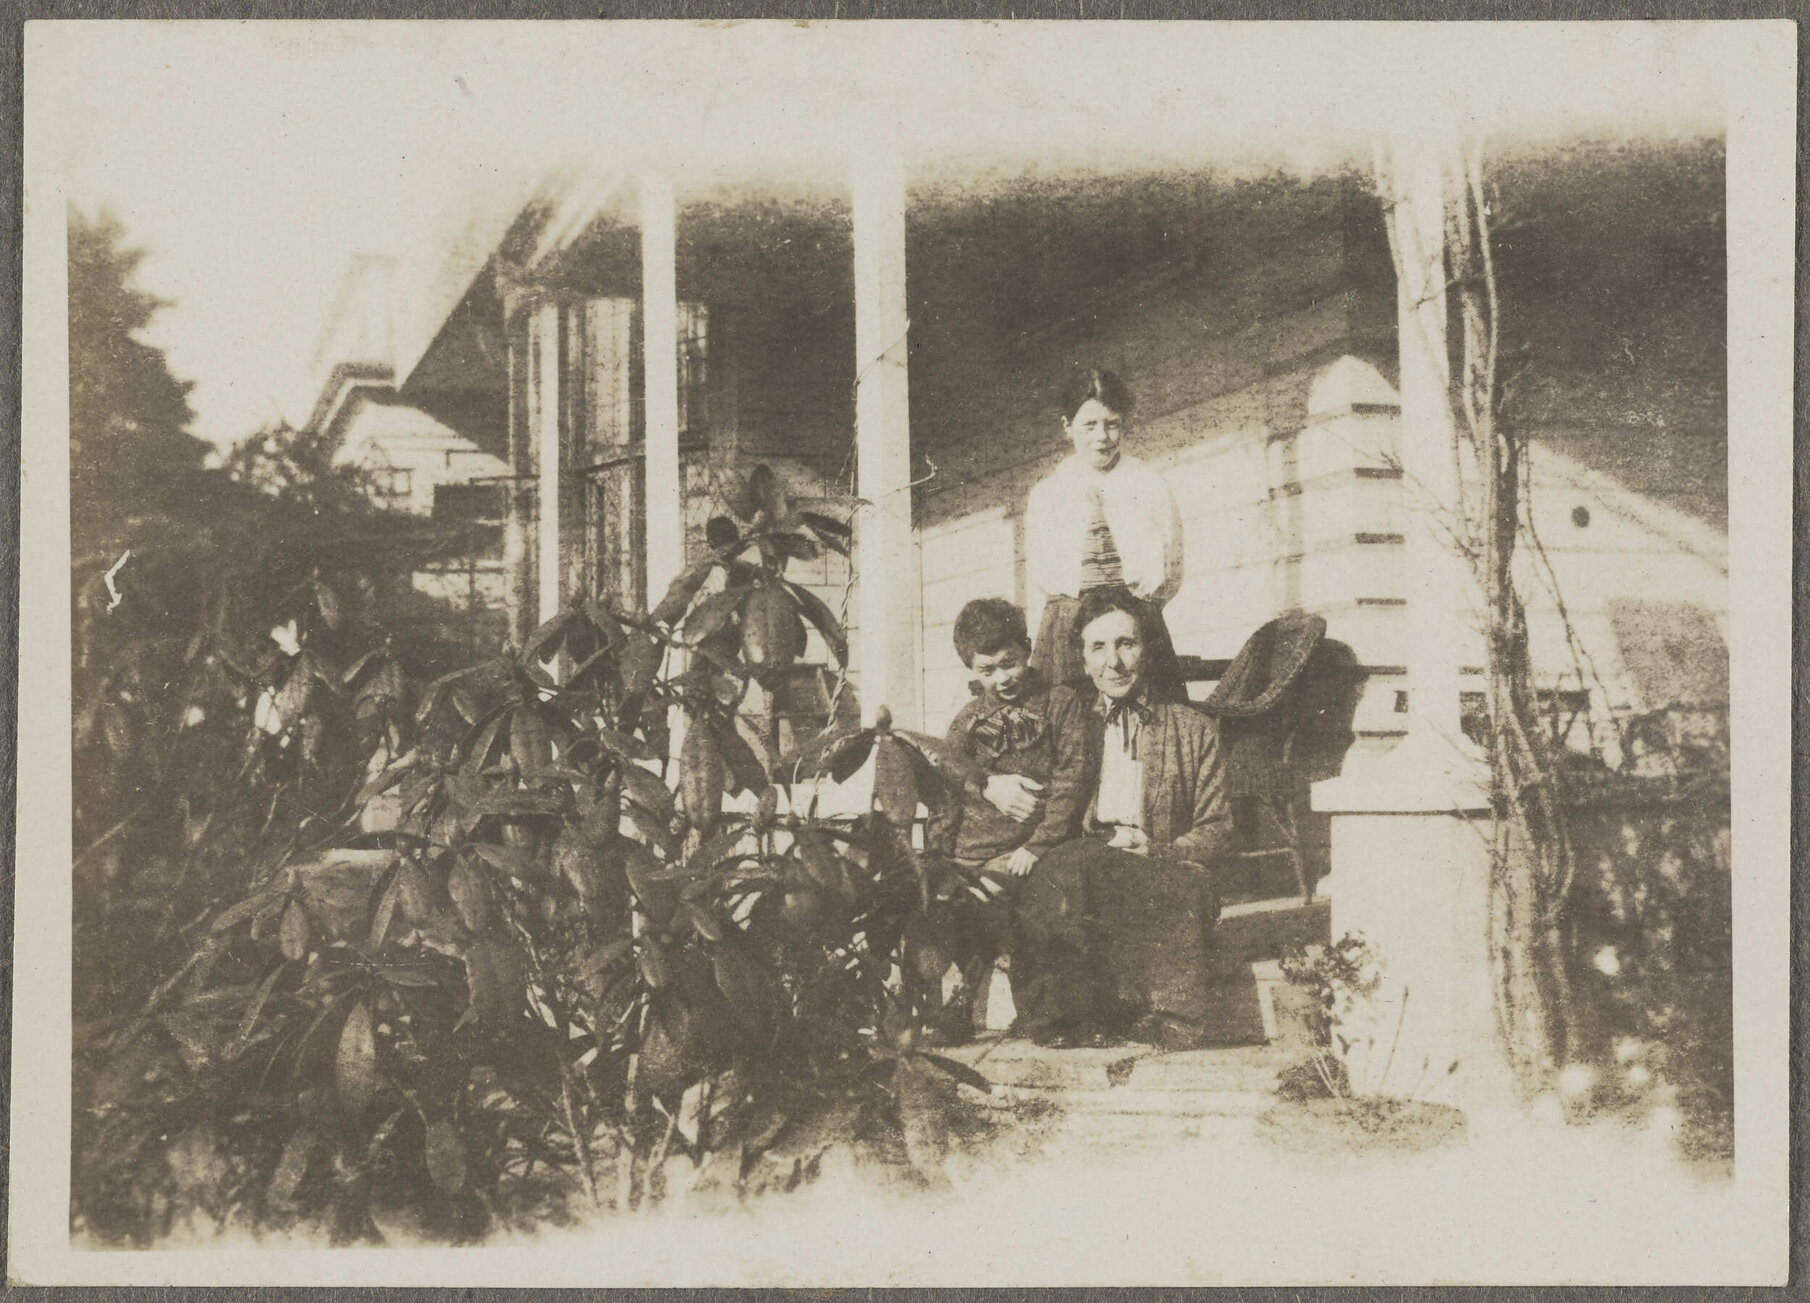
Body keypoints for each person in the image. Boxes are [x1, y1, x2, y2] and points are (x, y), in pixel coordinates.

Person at [1013, 585, 1234, 1050]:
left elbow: (1216, 828)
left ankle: (1172, 1020)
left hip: (1159, 862)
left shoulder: (1195, 730)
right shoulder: (1070, 725)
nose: (1113, 663)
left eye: (1125, 644)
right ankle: (1063, 1019)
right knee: (1058, 875)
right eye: (1098, 647)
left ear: (1147, 650)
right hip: (1087, 863)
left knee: (1188, 886)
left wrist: (1157, 848)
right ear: (1082, 656)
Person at [919, 599, 1074, 1043]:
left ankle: (1035, 1013)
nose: (1001, 678)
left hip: (1025, 848)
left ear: (1027, 650)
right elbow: (948, 781)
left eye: (1010, 663)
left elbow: (1071, 781)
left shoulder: (1059, 705)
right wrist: (982, 788)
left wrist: (1037, 845)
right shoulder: (969, 720)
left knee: (1007, 904)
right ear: (972, 668)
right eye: (987, 670)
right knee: (951, 903)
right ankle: (956, 1004)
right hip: (968, 848)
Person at [1024, 368, 1188, 703]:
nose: (1102, 436)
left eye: (1112, 424)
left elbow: (1172, 563)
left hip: (1136, 618)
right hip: (1067, 625)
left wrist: (1142, 608)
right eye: (1089, 425)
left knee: (1151, 711)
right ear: (1067, 428)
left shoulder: (1149, 484)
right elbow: (1041, 572)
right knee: (1068, 716)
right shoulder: (1048, 493)